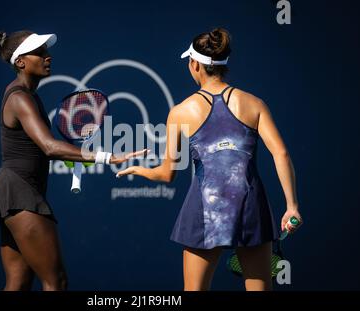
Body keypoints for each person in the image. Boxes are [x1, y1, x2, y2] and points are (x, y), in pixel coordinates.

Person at [117, 28, 302, 291]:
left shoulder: (180, 112)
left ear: (195, 65)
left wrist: (138, 169)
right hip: (251, 208)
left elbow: (166, 174)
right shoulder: (254, 103)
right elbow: (281, 153)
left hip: (204, 210)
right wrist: (291, 205)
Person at [0, 30, 147, 291]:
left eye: (47, 52)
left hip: (12, 193)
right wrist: (107, 157)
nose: (48, 57)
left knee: (18, 283)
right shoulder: (20, 97)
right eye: (40, 53)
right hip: (20, 193)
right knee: (56, 282)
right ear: (20, 62)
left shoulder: (25, 95)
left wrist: (78, 158)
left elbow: (48, 149)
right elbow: (50, 147)